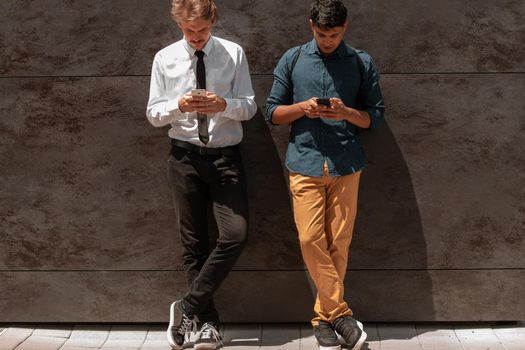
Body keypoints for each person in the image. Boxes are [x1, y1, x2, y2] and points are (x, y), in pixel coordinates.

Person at [266, 1, 384, 349]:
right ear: (310, 26)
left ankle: (322, 318)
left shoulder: (361, 61)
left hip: (347, 163)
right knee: (309, 239)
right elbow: (272, 112)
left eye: (333, 34)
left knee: (339, 245)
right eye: (321, 34)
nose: (327, 40)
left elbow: (373, 117)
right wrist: (303, 108)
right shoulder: (293, 59)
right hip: (304, 163)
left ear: (345, 27)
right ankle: (341, 314)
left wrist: (347, 112)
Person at [146, 0, 257, 349]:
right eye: (189, 30)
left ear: (213, 22)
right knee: (193, 245)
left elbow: (250, 106)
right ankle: (206, 324)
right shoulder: (165, 58)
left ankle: (187, 307)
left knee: (236, 234)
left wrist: (224, 104)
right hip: (184, 159)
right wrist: (178, 105)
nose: (196, 37)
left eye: (203, 30)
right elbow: (152, 114)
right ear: (179, 24)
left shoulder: (233, 53)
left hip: (226, 159)